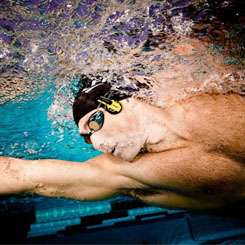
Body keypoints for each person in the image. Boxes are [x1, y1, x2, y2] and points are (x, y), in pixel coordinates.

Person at [0, 36, 245, 212]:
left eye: (94, 124)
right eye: (86, 137)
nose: (95, 143)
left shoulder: (211, 93)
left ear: (125, 102)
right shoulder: (132, 174)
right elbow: (24, 176)